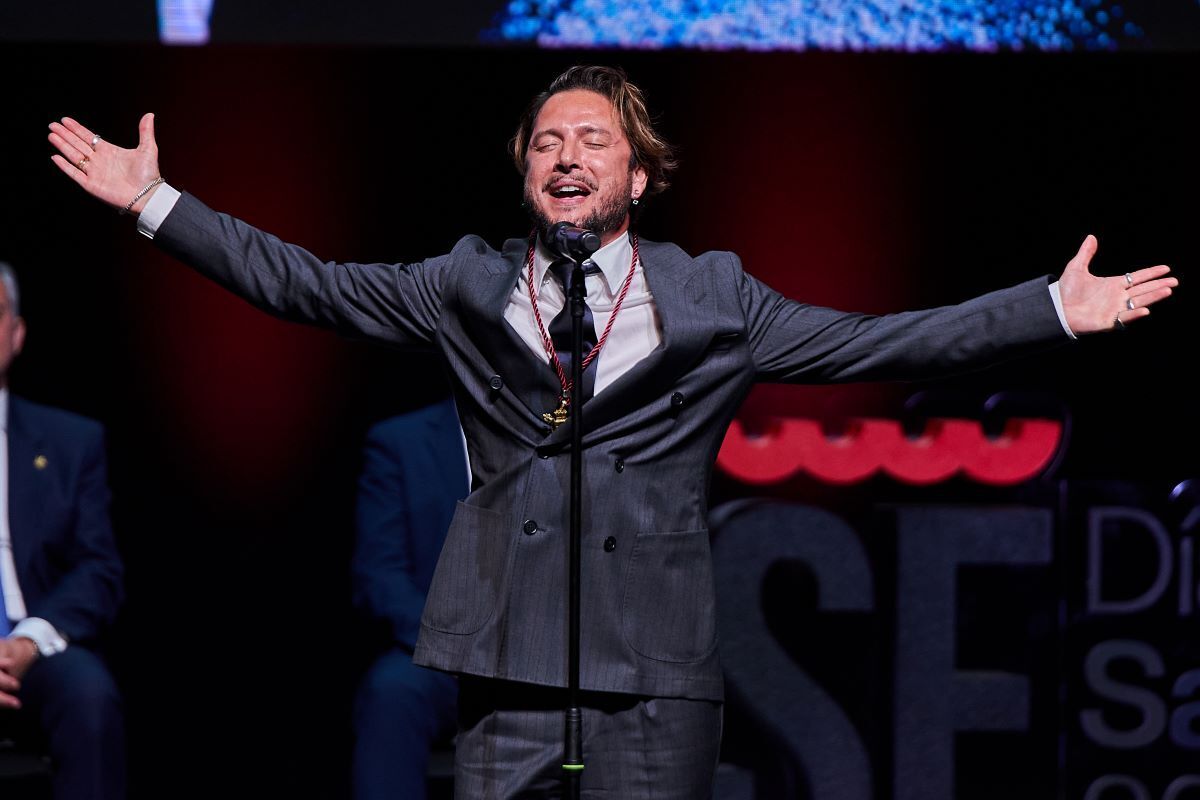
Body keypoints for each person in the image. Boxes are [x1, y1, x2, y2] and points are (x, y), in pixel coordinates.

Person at [46, 65, 1176, 798]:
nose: (567, 155)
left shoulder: (716, 294)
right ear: (528, 172)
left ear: (638, 173)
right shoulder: (466, 281)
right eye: (546, 142)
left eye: (593, 139)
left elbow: (875, 343)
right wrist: (159, 204)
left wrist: (1047, 310)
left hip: (655, 672)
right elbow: (305, 283)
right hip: (506, 664)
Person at [0, 262, 126, 800]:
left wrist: (28, 641)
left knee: (89, 694)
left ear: (17, 334)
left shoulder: (71, 442)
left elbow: (98, 571)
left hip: (33, 646)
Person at [351, 397, 468, 800]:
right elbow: (380, 575)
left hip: (542, 657)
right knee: (393, 691)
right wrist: (451, 648)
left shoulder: (561, 438)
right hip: (442, 658)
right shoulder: (401, 443)